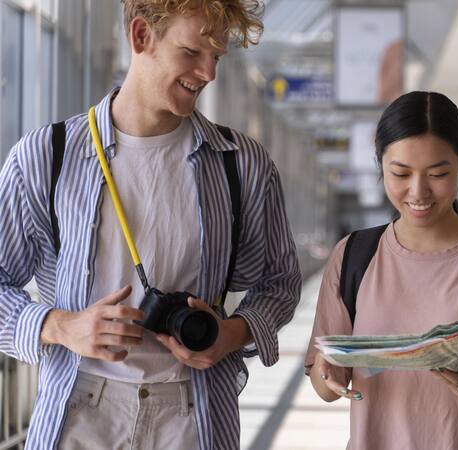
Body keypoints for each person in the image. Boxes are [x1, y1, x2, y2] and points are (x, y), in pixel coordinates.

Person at [0, 1, 301, 449]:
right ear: (141, 36)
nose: (208, 74)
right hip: (78, 414)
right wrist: (61, 326)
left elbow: (279, 282)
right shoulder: (47, 157)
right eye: (192, 52)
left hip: (193, 417)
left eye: (216, 57)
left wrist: (229, 335)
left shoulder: (242, 166)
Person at [304, 91, 458, 449]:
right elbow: (325, 383)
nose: (418, 191)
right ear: (381, 165)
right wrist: (326, 376)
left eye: (438, 174)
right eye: (401, 173)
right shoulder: (353, 256)